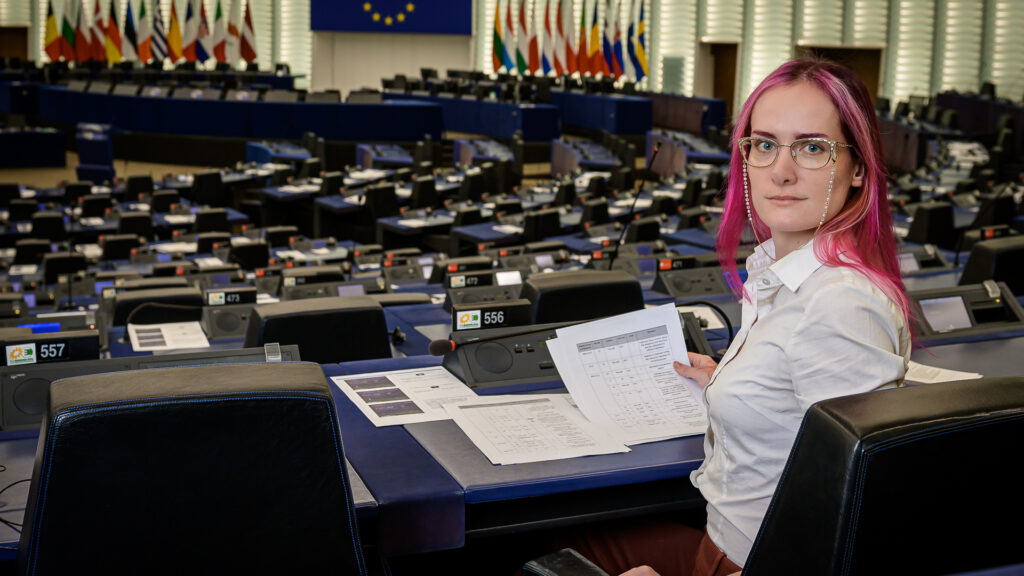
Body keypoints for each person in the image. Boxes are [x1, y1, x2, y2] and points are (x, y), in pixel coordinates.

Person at [564, 57, 912, 576]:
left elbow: (856, 525)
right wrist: (731, 382)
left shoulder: (839, 303)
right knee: (574, 540)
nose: (782, 170)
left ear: (858, 168)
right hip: (722, 546)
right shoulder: (781, 271)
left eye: (813, 148)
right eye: (765, 144)